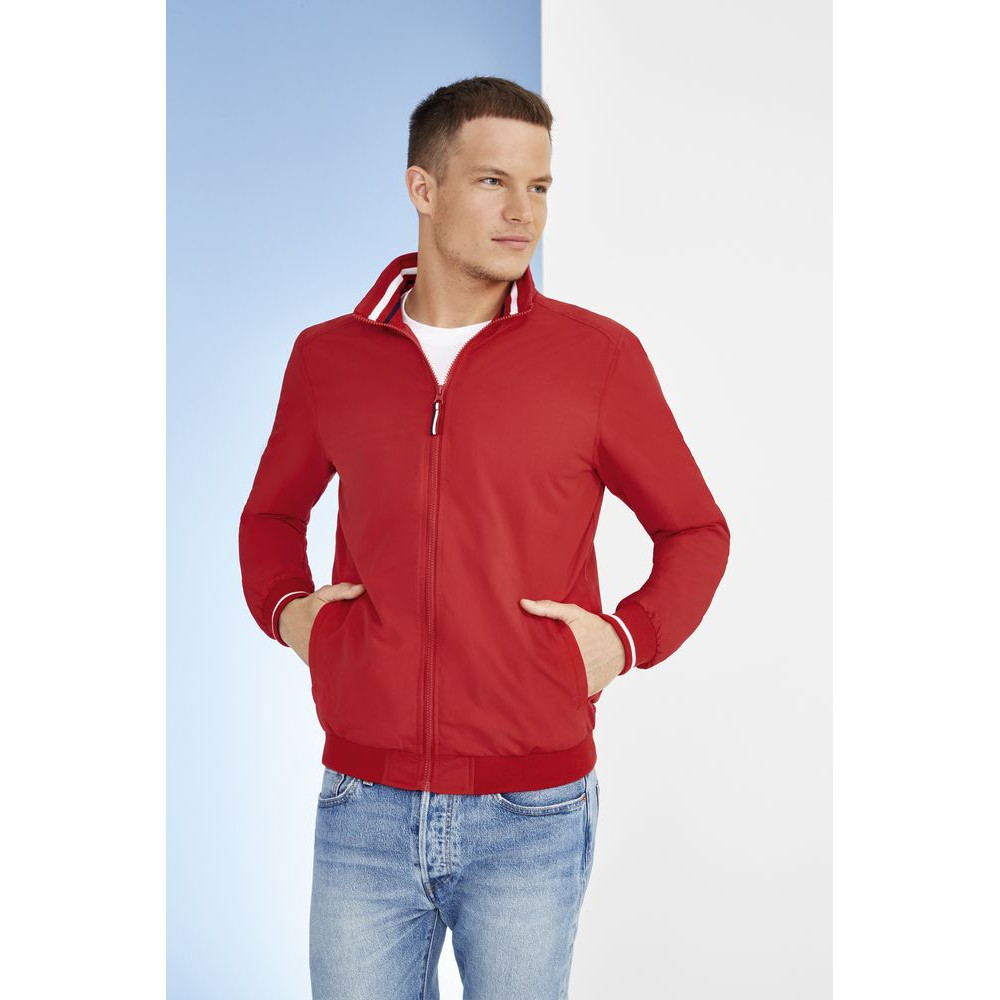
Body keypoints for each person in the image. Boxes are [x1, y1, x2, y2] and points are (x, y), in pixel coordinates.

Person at [238, 75, 730, 1000]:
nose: (522, 213)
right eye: (493, 182)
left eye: (539, 186)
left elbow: (695, 529)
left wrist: (626, 638)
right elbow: (269, 516)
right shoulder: (329, 358)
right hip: (363, 804)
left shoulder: (596, 358)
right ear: (422, 188)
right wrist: (292, 614)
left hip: (531, 810)